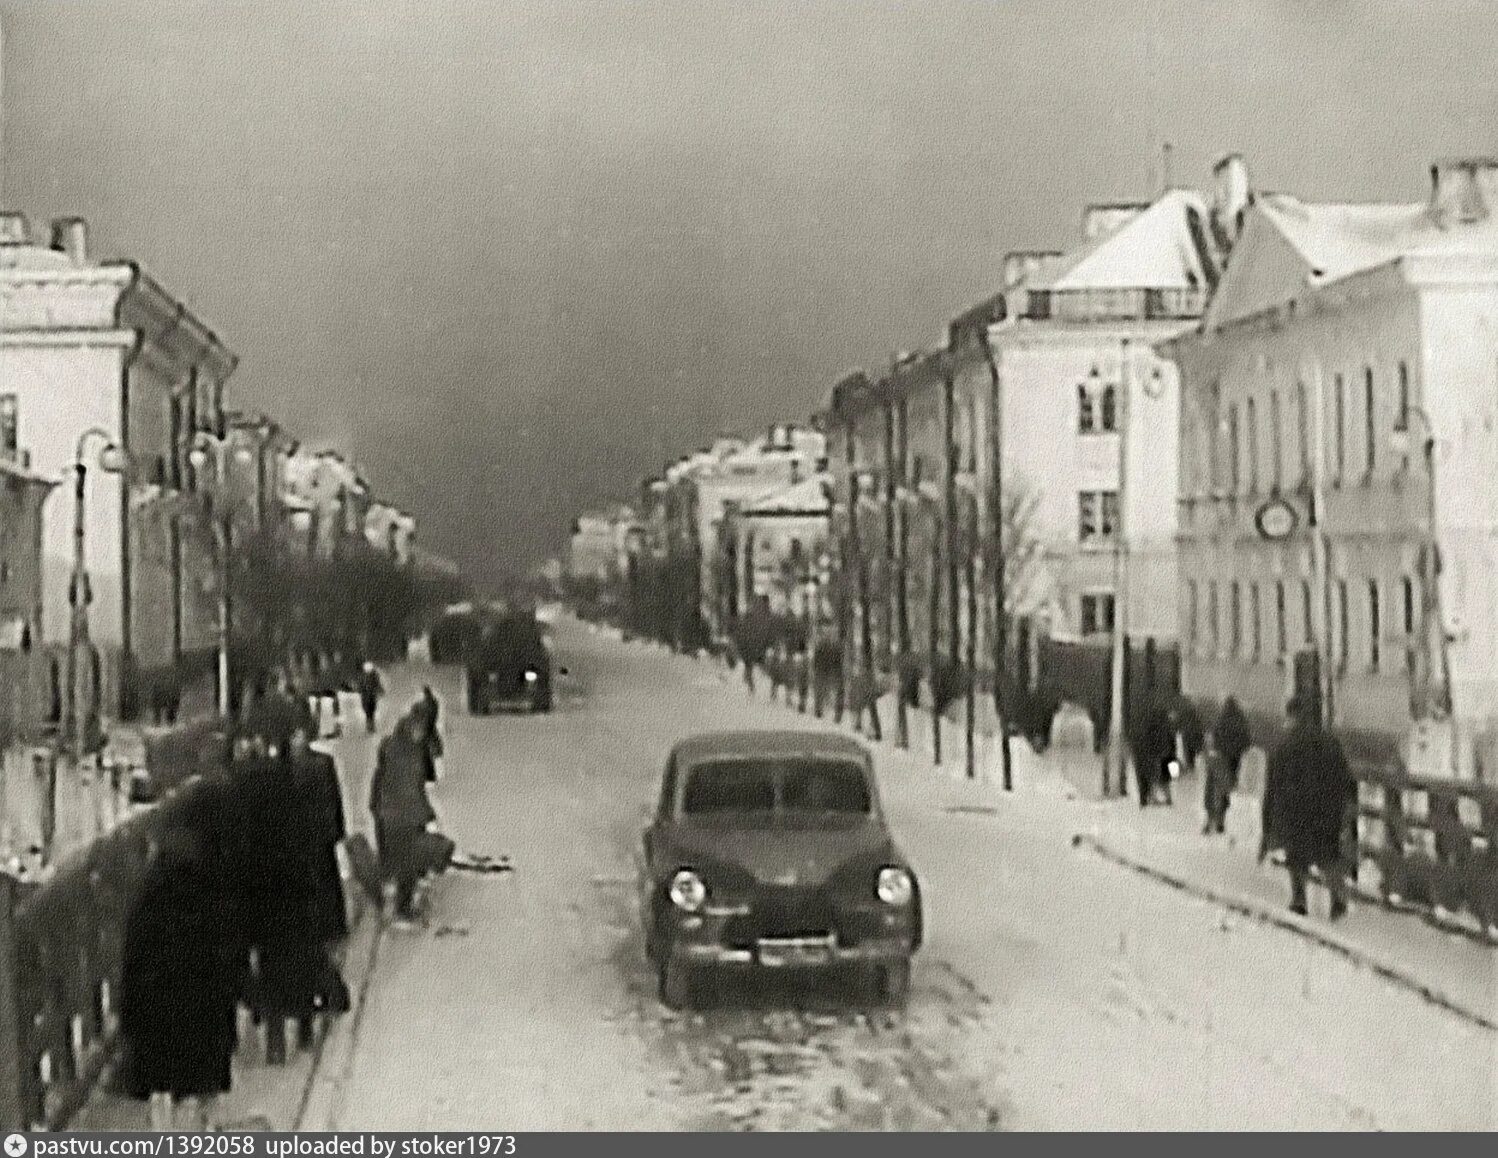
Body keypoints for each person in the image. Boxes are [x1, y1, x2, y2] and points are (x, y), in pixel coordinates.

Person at [120, 822, 237, 1130]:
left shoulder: (144, 909)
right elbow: (226, 964)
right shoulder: (210, 903)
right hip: (202, 1026)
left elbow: (131, 973)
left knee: (161, 1093)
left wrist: (129, 1024)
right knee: (195, 1095)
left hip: (156, 1028)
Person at [1260, 695, 1355, 919]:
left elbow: (1273, 785)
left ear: (1292, 716)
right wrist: (1343, 810)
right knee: (1328, 857)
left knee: (1297, 858)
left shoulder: (1284, 745)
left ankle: (1299, 899)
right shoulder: (1330, 742)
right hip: (1326, 811)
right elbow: (1345, 778)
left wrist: (1268, 824)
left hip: (1295, 811)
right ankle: (1338, 899)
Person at [369, 710, 437, 927]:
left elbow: (422, 778)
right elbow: (420, 779)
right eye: (418, 731)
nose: (419, 734)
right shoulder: (408, 751)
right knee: (407, 859)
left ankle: (396, 892)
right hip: (400, 813)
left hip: (393, 811)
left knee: (400, 857)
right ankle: (402, 908)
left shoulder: (393, 746)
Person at [1204, 696, 1252, 834]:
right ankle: (1220, 820)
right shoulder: (1241, 721)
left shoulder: (1220, 720)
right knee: (1224, 791)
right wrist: (1237, 752)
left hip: (1219, 760)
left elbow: (1213, 739)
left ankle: (1210, 819)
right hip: (1233, 762)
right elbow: (1247, 741)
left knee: (1212, 789)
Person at [1131, 696, 1176, 808]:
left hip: (1146, 753)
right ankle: (1164, 798)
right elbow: (1169, 741)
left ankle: (1146, 798)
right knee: (1160, 777)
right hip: (1159, 753)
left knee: (1148, 776)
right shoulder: (1163, 723)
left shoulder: (1144, 721)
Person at [416, 686, 444, 782]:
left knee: (425, 754)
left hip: (425, 731)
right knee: (429, 754)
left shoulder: (425, 705)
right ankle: (430, 775)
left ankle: (428, 776)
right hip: (430, 730)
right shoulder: (434, 703)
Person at [357, 662, 385, 735]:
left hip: (371, 696)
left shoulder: (374, 676)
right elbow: (359, 687)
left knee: (371, 711)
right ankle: (370, 726)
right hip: (366, 697)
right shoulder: (362, 677)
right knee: (368, 712)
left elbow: (378, 684)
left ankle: (371, 726)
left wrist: (380, 690)